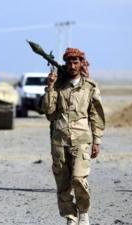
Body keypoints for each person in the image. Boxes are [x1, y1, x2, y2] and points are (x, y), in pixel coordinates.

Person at [40, 48, 105, 225]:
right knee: (63, 183)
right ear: (66, 64)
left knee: (78, 179)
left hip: (82, 140)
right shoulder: (58, 86)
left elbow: (96, 116)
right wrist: (50, 87)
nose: (72, 66)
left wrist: (97, 141)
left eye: (76, 62)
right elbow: (48, 111)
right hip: (60, 140)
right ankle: (70, 216)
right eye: (69, 62)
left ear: (82, 63)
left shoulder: (89, 87)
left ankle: (83, 212)